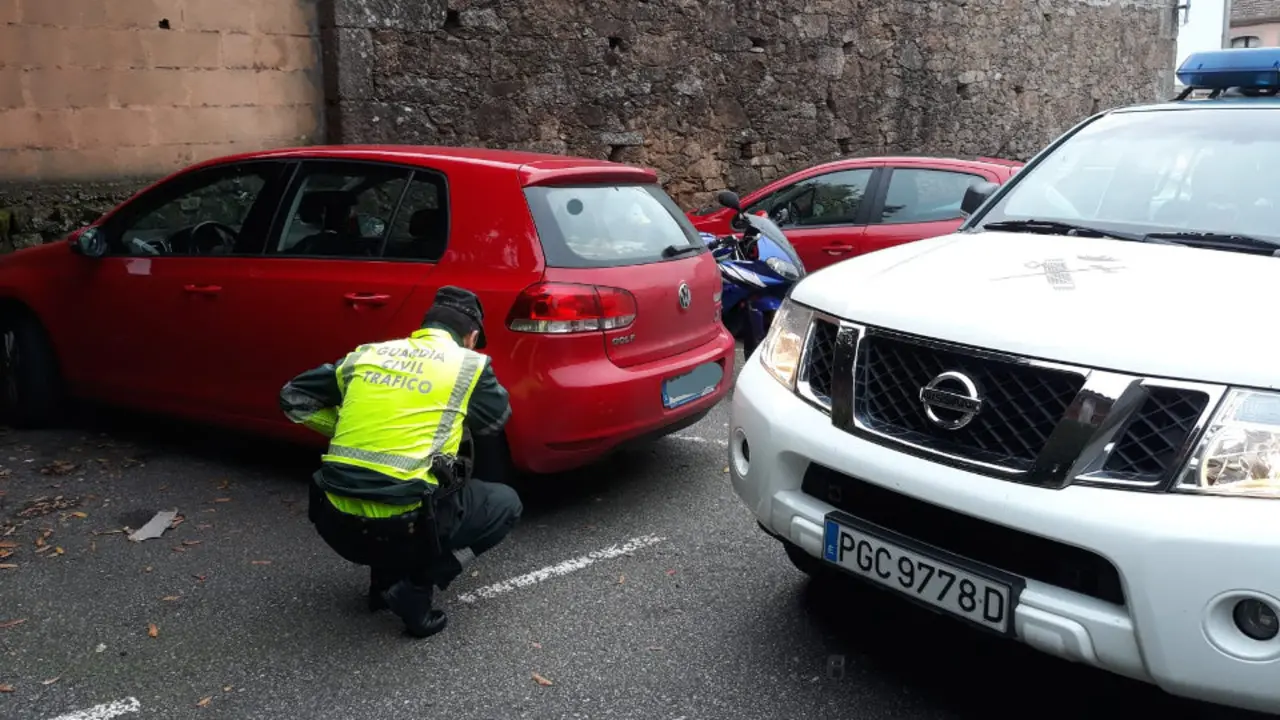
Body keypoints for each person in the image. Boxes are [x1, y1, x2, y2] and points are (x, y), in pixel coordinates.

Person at [278, 286, 522, 638]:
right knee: (504, 505)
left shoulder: (368, 354)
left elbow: (293, 397)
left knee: (388, 486)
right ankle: (417, 586)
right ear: (470, 336)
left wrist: (346, 426)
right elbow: (494, 421)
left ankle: (381, 588)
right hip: (407, 527)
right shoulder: (469, 365)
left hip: (333, 522)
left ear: (425, 326)